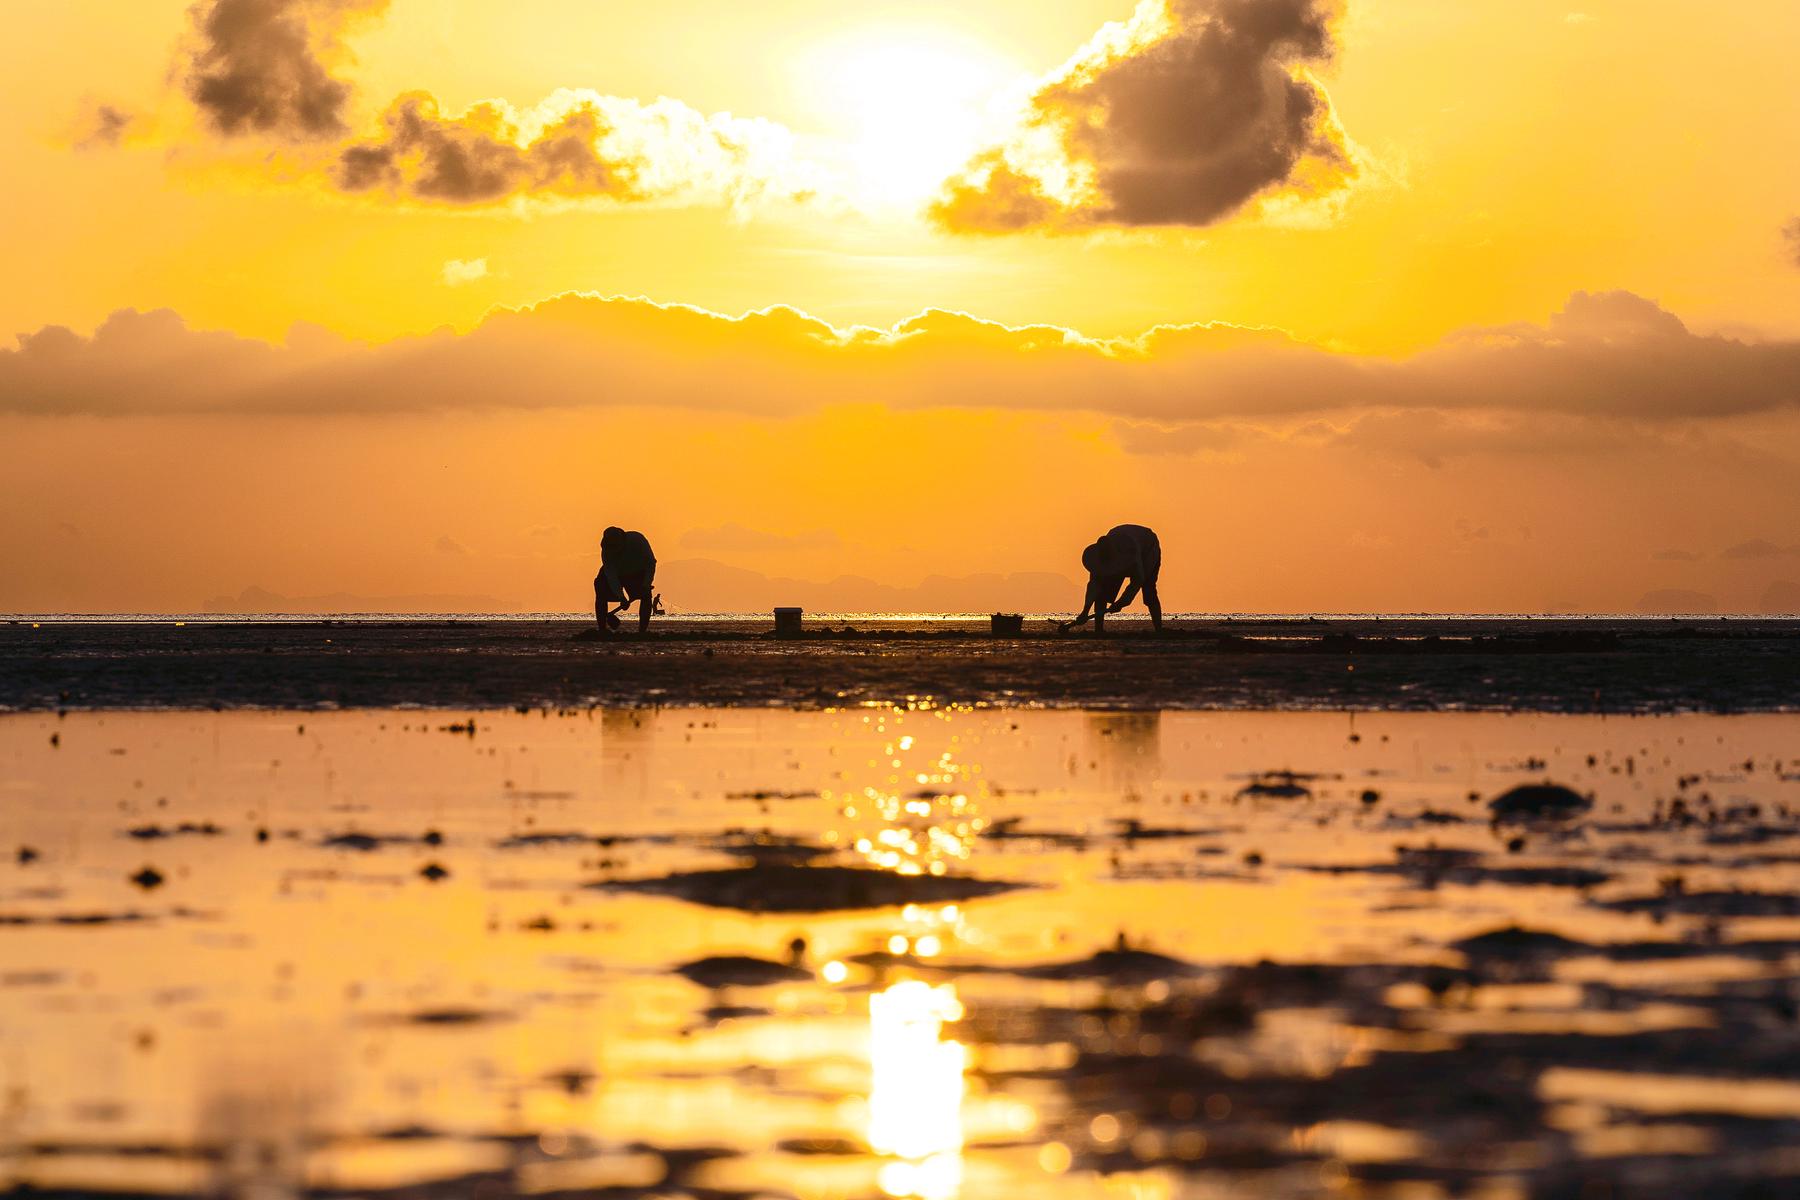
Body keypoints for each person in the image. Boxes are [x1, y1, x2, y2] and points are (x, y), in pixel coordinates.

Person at [1059, 524, 1162, 635]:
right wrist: (1085, 611)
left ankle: (1159, 629)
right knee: (1102, 592)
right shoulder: (1099, 557)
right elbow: (1094, 585)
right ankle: (1098, 629)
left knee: (1148, 589)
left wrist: (1122, 602)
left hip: (1147, 549)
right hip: (1123, 545)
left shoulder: (1132, 554)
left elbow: (1138, 581)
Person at [595, 526, 658, 634]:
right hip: (617, 574)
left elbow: (650, 564)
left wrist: (646, 584)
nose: (613, 551)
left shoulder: (638, 541)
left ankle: (642, 632)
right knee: (600, 586)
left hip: (637, 572)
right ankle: (602, 630)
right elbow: (611, 576)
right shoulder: (606, 551)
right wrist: (621, 597)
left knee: (646, 596)